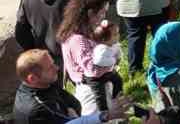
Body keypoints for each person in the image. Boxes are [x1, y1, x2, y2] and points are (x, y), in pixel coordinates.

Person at [13, 49, 143, 124]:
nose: (57, 68)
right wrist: (106, 115)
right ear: (32, 78)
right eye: (50, 67)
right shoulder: (38, 108)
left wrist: (73, 114)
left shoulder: (43, 83)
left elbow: (70, 105)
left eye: (54, 64)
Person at [56, 0, 120, 114]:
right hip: (92, 94)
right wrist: (113, 60)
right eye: (102, 12)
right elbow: (93, 70)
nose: (104, 16)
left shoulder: (86, 30)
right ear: (91, 13)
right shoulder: (77, 40)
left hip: (100, 86)